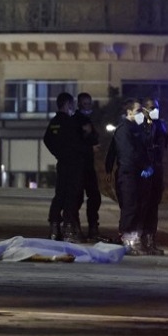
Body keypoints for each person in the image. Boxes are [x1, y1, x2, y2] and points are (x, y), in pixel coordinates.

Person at [43, 92, 88, 243]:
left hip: (62, 163)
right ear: (67, 104)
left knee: (60, 194)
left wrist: (58, 153)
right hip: (74, 164)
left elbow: (47, 139)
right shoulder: (71, 123)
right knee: (72, 195)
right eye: (72, 103)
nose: (73, 106)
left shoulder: (54, 122)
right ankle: (68, 228)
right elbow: (78, 143)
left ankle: (54, 227)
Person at [111, 99, 154, 255]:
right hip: (128, 173)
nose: (141, 113)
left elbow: (143, 150)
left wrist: (148, 166)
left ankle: (134, 239)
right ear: (129, 112)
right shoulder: (123, 130)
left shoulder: (137, 128)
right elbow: (129, 153)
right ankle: (127, 239)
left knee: (138, 206)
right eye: (138, 111)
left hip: (137, 174)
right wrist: (144, 166)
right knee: (130, 207)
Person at [72, 92, 106, 242]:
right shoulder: (75, 121)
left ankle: (93, 228)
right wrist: (88, 143)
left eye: (89, 103)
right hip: (78, 165)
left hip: (88, 165)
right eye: (84, 104)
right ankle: (75, 228)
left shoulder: (90, 119)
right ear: (79, 104)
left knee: (94, 197)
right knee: (76, 198)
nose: (87, 107)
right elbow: (75, 143)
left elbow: (95, 137)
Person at [138, 97, 168, 255]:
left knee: (153, 205)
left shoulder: (159, 124)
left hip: (156, 168)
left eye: (156, 107)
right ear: (144, 109)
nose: (154, 111)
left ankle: (150, 239)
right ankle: (139, 239)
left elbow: (164, 144)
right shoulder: (139, 124)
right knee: (142, 205)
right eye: (151, 108)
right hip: (144, 170)